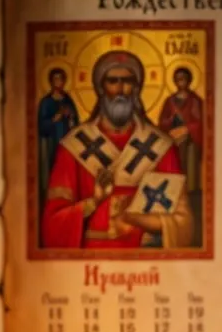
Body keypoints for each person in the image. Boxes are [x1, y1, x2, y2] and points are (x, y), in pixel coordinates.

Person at [40, 50, 192, 250]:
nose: (120, 90)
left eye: (128, 81)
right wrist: (93, 202)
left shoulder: (162, 147)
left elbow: (183, 223)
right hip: (89, 264)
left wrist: (137, 220)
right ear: (101, 88)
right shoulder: (73, 147)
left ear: (136, 89)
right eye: (113, 81)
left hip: (146, 264)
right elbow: (53, 225)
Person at [156, 66, 204, 200]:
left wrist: (187, 128)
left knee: (188, 160)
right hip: (172, 136)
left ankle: (189, 190)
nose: (180, 82)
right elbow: (162, 121)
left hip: (190, 139)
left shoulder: (195, 100)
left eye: (183, 79)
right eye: (178, 79)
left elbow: (201, 122)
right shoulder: (170, 101)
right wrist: (170, 125)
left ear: (189, 81)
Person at [36, 68, 79, 196]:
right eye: (56, 79)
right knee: (53, 169)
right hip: (52, 142)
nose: (58, 82)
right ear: (51, 81)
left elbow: (75, 123)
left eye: (61, 79)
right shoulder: (46, 102)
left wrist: (70, 117)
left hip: (67, 141)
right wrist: (56, 117)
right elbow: (42, 126)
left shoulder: (68, 100)